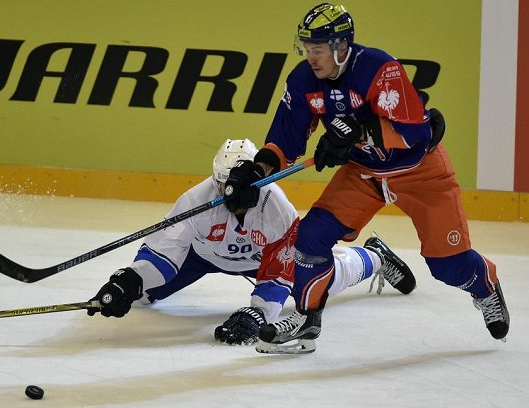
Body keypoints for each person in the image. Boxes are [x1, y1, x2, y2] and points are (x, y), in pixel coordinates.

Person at [223, 3, 510, 354]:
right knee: (310, 237)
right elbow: (285, 139)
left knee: (447, 265)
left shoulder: (379, 69)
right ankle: (306, 321)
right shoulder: (302, 80)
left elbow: (416, 134)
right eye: (306, 49)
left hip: (420, 172)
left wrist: (357, 131)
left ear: (341, 46)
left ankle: (485, 285)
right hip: (363, 174)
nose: (311, 58)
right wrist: (256, 171)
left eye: (318, 50)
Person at [87, 138, 416, 350]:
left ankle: (374, 256)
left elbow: (278, 274)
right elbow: (163, 253)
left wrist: (259, 314)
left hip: (259, 260)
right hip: (201, 255)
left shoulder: (277, 209)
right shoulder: (194, 200)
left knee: (318, 279)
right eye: (222, 185)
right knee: (143, 296)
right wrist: (128, 280)